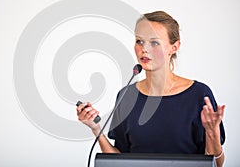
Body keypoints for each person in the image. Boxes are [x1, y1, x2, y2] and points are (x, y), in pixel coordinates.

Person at [76, 11, 225, 167]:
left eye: (154, 43)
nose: (144, 49)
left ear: (174, 47)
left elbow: (217, 164)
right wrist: (96, 129)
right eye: (139, 41)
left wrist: (212, 132)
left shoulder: (199, 94)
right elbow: (119, 161)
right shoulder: (126, 96)